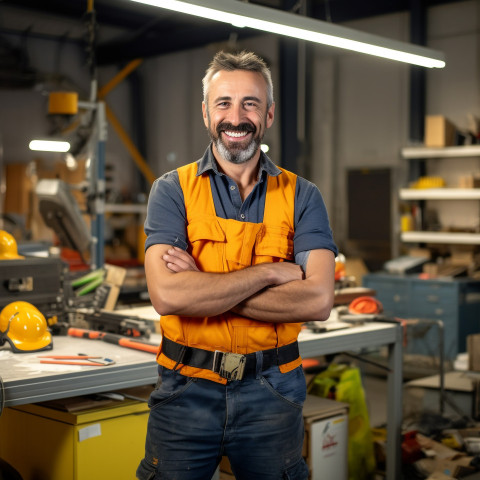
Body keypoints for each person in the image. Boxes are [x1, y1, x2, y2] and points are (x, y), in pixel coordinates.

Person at [136, 50, 338, 480]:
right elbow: (168, 295)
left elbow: (318, 299)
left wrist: (203, 286)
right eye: (224, 102)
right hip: (185, 388)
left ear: (268, 114)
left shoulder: (303, 196)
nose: (236, 115)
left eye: (250, 103)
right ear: (206, 112)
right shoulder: (172, 191)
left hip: (274, 389)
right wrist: (269, 273)